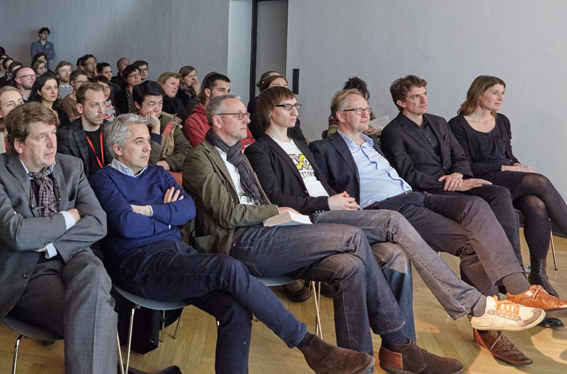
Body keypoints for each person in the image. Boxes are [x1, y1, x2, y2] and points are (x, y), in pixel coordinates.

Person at [244, 86, 545, 358]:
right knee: (394, 221)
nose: (296, 110)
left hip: (401, 198)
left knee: (472, 219)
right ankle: (477, 306)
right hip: (344, 214)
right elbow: (278, 197)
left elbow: (325, 186)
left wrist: (337, 200)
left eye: (297, 105)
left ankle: (408, 347)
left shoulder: (307, 147)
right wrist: (332, 202)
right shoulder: (276, 149)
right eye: (289, 106)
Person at [182, 94, 463, 373]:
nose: (247, 119)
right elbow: (229, 215)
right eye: (239, 115)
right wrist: (278, 211)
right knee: (355, 237)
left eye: (246, 113)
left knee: (350, 266)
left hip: (270, 231)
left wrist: (281, 214)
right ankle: (399, 344)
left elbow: (268, 201)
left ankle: (359, 363)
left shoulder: (239, 155)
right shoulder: (200, 158)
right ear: (217, 121)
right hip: (238, 241)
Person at [91, 114, 377, 374]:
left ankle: (310, 349)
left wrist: (148, 211)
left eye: (147, 140)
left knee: (236, 310)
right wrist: (167, 217)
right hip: (139, 264)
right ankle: (309, 344)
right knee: (226, 266)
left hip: (178, 255)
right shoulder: (103, 180)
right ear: (117, 149)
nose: (147, 147)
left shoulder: (159, 174)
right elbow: (126, 226)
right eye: (138, 141)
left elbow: (187, 210)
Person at [0, 103, 118, 374]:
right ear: (19, 144)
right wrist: (70, 216)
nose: (53, 143)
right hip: (26, 270)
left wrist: (52, 243)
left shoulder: (70, 166)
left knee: (94, 272)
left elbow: (99, 222)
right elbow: (18, 235)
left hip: (72, 256)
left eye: (53, 133)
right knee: (97, 314)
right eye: (42, 137)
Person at [380, 75, 522, 268]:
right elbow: (408, 175)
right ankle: (504, 267)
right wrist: (449, 183)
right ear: (401, 102)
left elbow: (460, 157)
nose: (424, 100)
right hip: (431, 191)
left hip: (457, 182)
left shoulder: (438, 122)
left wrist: (457, 175)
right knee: (480, 204)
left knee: (500, 193)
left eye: (425, 94)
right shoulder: (393, 132)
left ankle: (513, 265)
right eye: (416, 97)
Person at [450, 75, 567, 298]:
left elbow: (507, 155)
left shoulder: (502, 120)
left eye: (503, 93)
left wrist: (517, 165)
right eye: (495, 92)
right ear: (479, 93)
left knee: (536, 204)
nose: (500, 98)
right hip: (483, 181)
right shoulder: (457, 125)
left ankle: (538, 276)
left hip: (507, 178)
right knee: (539, 181)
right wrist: (507, 169)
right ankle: (522, 278)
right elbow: (467, 165)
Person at [182, 72, 255, 149]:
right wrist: (234, 142)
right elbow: (208, 150)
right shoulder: (194, 121)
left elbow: (250, 141)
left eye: (228, 91)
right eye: (221, 90)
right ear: (208, 92)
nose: (226, 95)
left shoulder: (232, 114)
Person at [133, 80, 191, 172]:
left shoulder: (169, 121)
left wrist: (164, 164)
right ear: (137, 104)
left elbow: (186, 151)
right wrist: (156, 127)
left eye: (160, 103)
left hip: (165, 173)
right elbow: (145, 163)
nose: (157, 109)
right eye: (151, 104)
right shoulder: (129, 125)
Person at [57, 83, 112, 176]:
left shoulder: (111, 129)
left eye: (103, 103)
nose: (101, 110)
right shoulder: (65, 136)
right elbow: (71, 176)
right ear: (80, 108)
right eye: (95, 105)